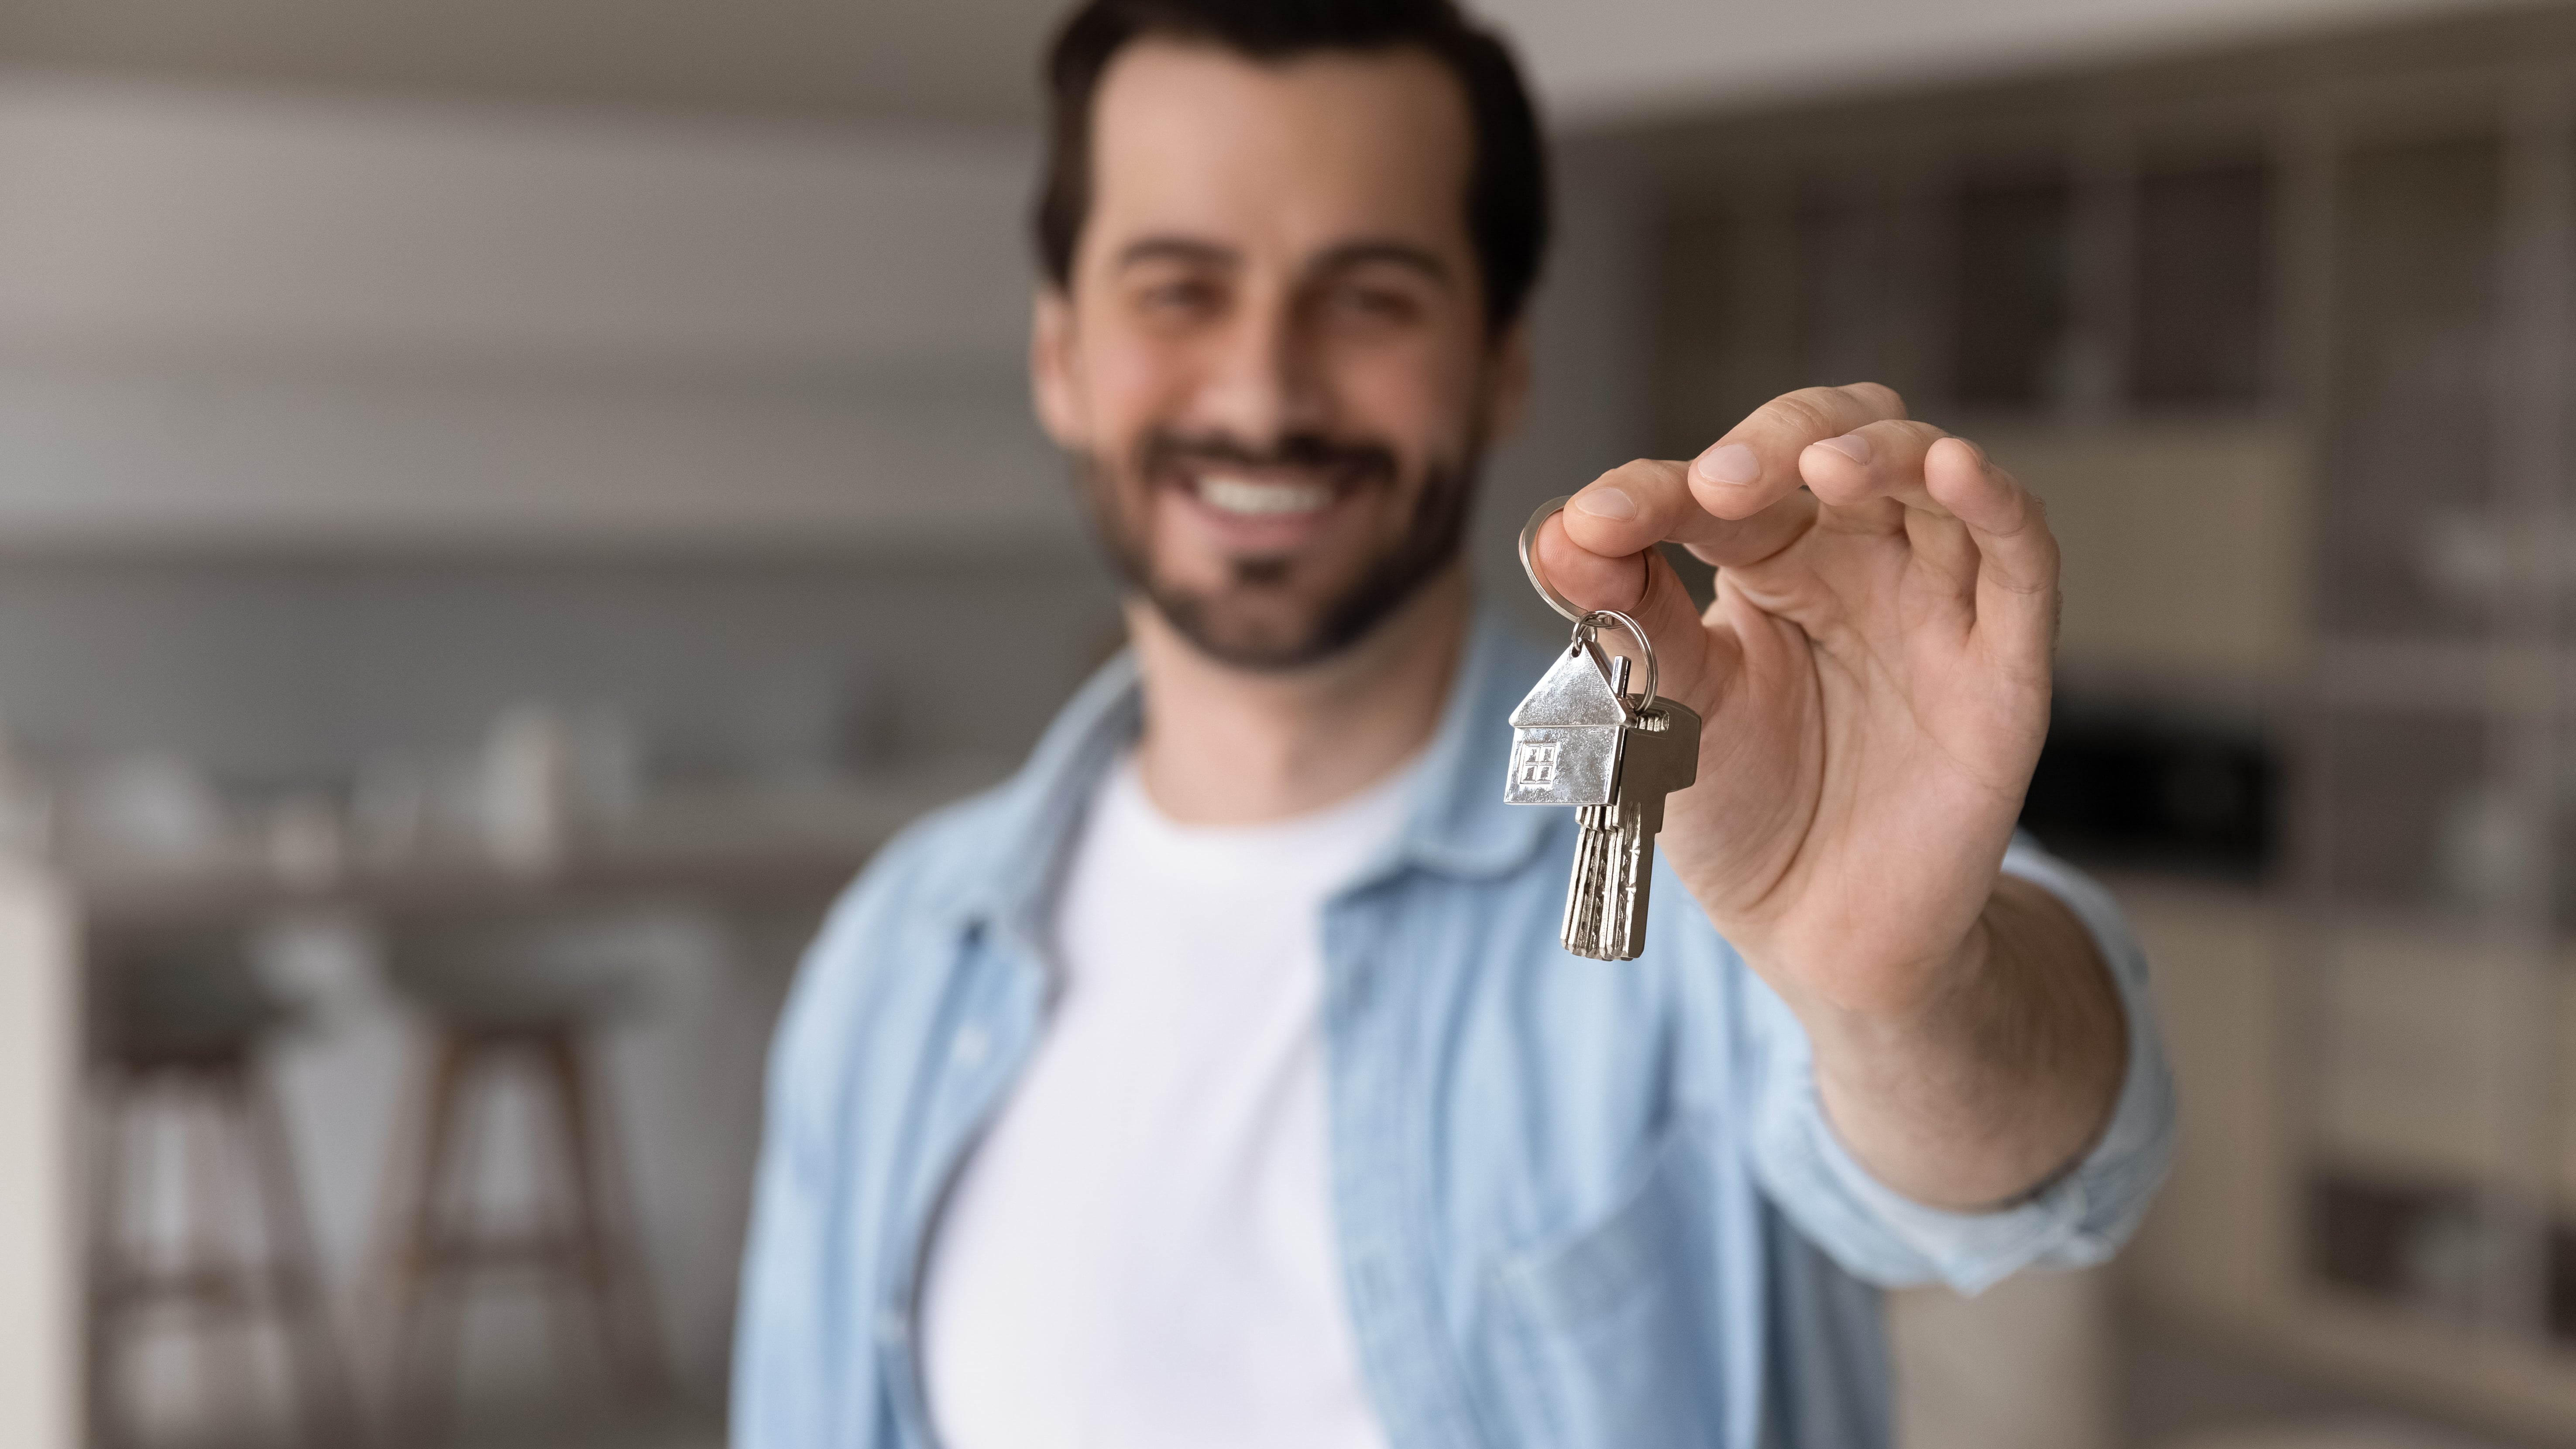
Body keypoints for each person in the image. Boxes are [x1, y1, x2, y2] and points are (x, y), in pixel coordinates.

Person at [733, 1, 2174, 1445]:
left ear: (1499, 364)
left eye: (1370, 297)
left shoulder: (1709, 848)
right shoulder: (897, 954)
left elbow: (2038, 1163)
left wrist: (1905, 998)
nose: (1262, 392)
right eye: (1177, 290)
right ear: (1061, 359)